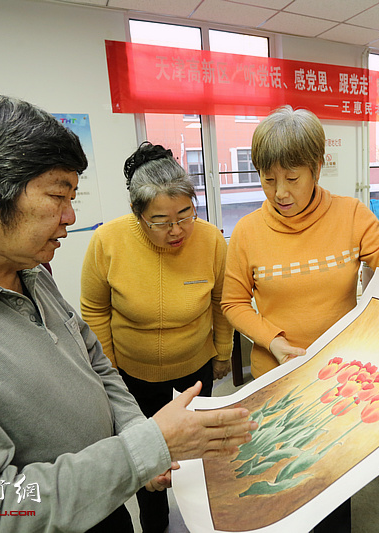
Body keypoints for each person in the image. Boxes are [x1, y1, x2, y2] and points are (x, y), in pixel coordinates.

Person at [0, 88, 256, 533]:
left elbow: (92, 359)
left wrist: (140, 438)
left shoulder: (26, 267)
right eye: (59, 196)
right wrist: (144, 449)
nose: (71, 216)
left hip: (100, 503)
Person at [221, 105, 379, 533]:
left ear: (317, 167)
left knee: (330, 484)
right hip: (279, 376)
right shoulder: (248, 231)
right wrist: (274, 340)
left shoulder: (351, 214)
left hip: (338, 378)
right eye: (269, 179)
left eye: (292, 177)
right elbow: (233, 303)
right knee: (281, 484)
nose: (279, 191)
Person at [80, 141, 233, 533]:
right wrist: (108, 370)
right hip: (133, 371)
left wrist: (222, 352)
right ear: (138, 213)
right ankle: (156, 522)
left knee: (196, 451)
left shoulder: (211, 240)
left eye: (185, 215)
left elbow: (220, 301)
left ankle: (203, 517)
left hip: (194, 363)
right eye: (161, 221)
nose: (177, 230)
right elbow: (95, 309)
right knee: (148, 457)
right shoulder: (107, 242)